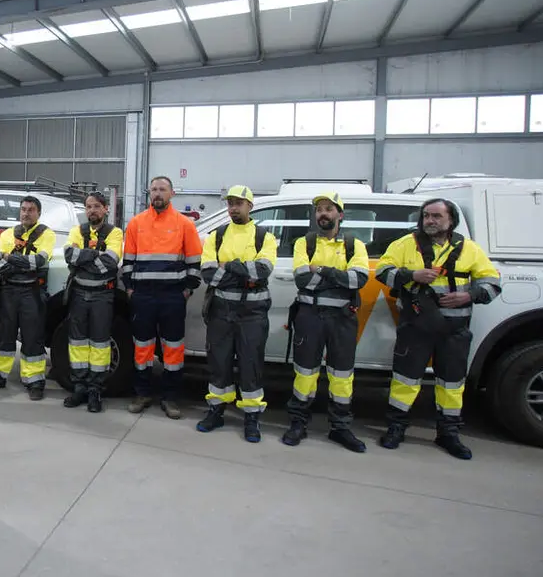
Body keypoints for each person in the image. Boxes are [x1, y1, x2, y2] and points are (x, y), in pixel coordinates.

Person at [375, 198, 500, 460]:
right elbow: (383, 271)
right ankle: (396, 428)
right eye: (426, 216)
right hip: (415, 325)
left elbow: (491, 282)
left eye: (436, 216)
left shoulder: (469, 249)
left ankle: (448, 434)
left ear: (451, 220)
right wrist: (412, 275)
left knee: (452, 383)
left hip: (454, 329)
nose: (430, 221)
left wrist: (470, 295)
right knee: (405, 380)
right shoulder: (406, 244)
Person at [281, 192, 369, 453]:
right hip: (309, 316)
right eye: (319, 209)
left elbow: (359, 280)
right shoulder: (304, 243)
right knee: (305, 372)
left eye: (329, 209)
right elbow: (301, 281)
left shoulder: (355, 245)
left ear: (339, 214)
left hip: (342, 318)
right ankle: (298, 423)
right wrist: (338, 277)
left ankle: (340, 428)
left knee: (342, 375)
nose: (323, 214)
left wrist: (319, 270)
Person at [196, 185, 277, 443]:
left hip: (252, 312)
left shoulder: (265, 236)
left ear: (250, 206)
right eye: (230, 203)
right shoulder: (216, 236)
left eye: (238, 203)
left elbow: (262, 271)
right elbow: (208, 273)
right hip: (221, 311)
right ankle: (216, 411)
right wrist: (243, 272)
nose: (233, 207)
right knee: (218, 362)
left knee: (250, 364)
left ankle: (251, 417)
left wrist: (228, 267)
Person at [121, 176, 202, 418]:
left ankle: (171, 398)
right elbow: (128, 262)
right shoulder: (136, 223)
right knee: (142, 348)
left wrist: (186, 290)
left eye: (162, 189)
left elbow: (194, 262)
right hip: (142, 297)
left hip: (172, 297)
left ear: (172, 194)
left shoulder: (184, 224)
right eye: (154, 189)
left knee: (173, 349)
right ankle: (142, 393)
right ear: (149, 193)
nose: (157, 193)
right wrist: (130, 289)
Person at [0, 196, 56, 400]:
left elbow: (39, 262)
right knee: (5, 334)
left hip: (32, 292)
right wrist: (20, 264)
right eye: (23, 209)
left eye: (31, 209)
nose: (26, 213)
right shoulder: (8, 233)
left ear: (38, 213)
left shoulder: (46, 234)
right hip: (9, 291)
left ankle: (35, 381)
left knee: (32, 337)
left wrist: (10, 258)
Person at [62, 191, 124, 413]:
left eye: (97, 206)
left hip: (102, 296)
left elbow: (111, 263)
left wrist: (84, 258)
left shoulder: (115, 233)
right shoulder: (77, 231)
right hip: (79, 294)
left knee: (100, 344)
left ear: (106, 208)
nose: (92, 210)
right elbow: (70, 255)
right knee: (77, 343)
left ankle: (95, 390)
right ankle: (79, 388)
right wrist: (95, 256)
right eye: (88, 206)